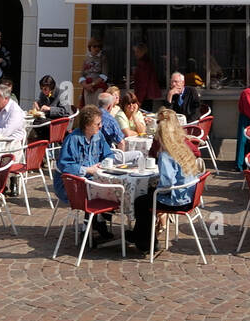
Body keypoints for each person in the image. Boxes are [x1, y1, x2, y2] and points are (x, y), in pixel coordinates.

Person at [128, 109, 202, 255]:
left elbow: (167, 184)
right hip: (189, 196)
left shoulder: (166, 153)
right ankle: (144, 237)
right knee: (148, 197)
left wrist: (157, 188)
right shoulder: (182, 145)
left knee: (141, 202)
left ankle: (145, 242)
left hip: (177, 200)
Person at [54, 105, 116, 244]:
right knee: (94, 191)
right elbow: (65, 166)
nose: (100, 127)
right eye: (97, 124)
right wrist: (87, 170)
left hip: (91, 180)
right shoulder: (73, 139)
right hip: (70, 185)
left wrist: (104, 163)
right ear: (87, 125)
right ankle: (87, 229)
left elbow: (109, 154)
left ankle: (99, 222)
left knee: (110, 188)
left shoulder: (98, 136)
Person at [28, 75, 69, 142]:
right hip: (48, 120)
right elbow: (41, 104)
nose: (43, 91)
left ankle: (44, 142)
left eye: (45, 89)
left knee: (38, 123)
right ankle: (42, 143)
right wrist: (37, 105)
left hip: (60, 122)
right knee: (35, 122)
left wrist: (50, 109)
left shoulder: (63, 94)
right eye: (41, 88)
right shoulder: (43, 93)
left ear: (51, 87)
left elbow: (64, 111)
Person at [131, 41, 162, 111]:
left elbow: (143, 83)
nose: (135, 54)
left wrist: (139, 100)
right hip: (147, 95)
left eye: (137, 52)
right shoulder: (146, 62)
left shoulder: (143, 64)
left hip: (144, 96)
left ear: (141, 52)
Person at [78, 37, 108, 108]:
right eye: (94, 46)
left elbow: (104, 75)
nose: (97, 48)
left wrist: (93, 84)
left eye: (99, 46)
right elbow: (82, 74)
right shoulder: (86, 59)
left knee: (97, 108)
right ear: (90, 47)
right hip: (87, 87)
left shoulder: (103, 58)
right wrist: (85, 85)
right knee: (88, 108)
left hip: (98, 87)